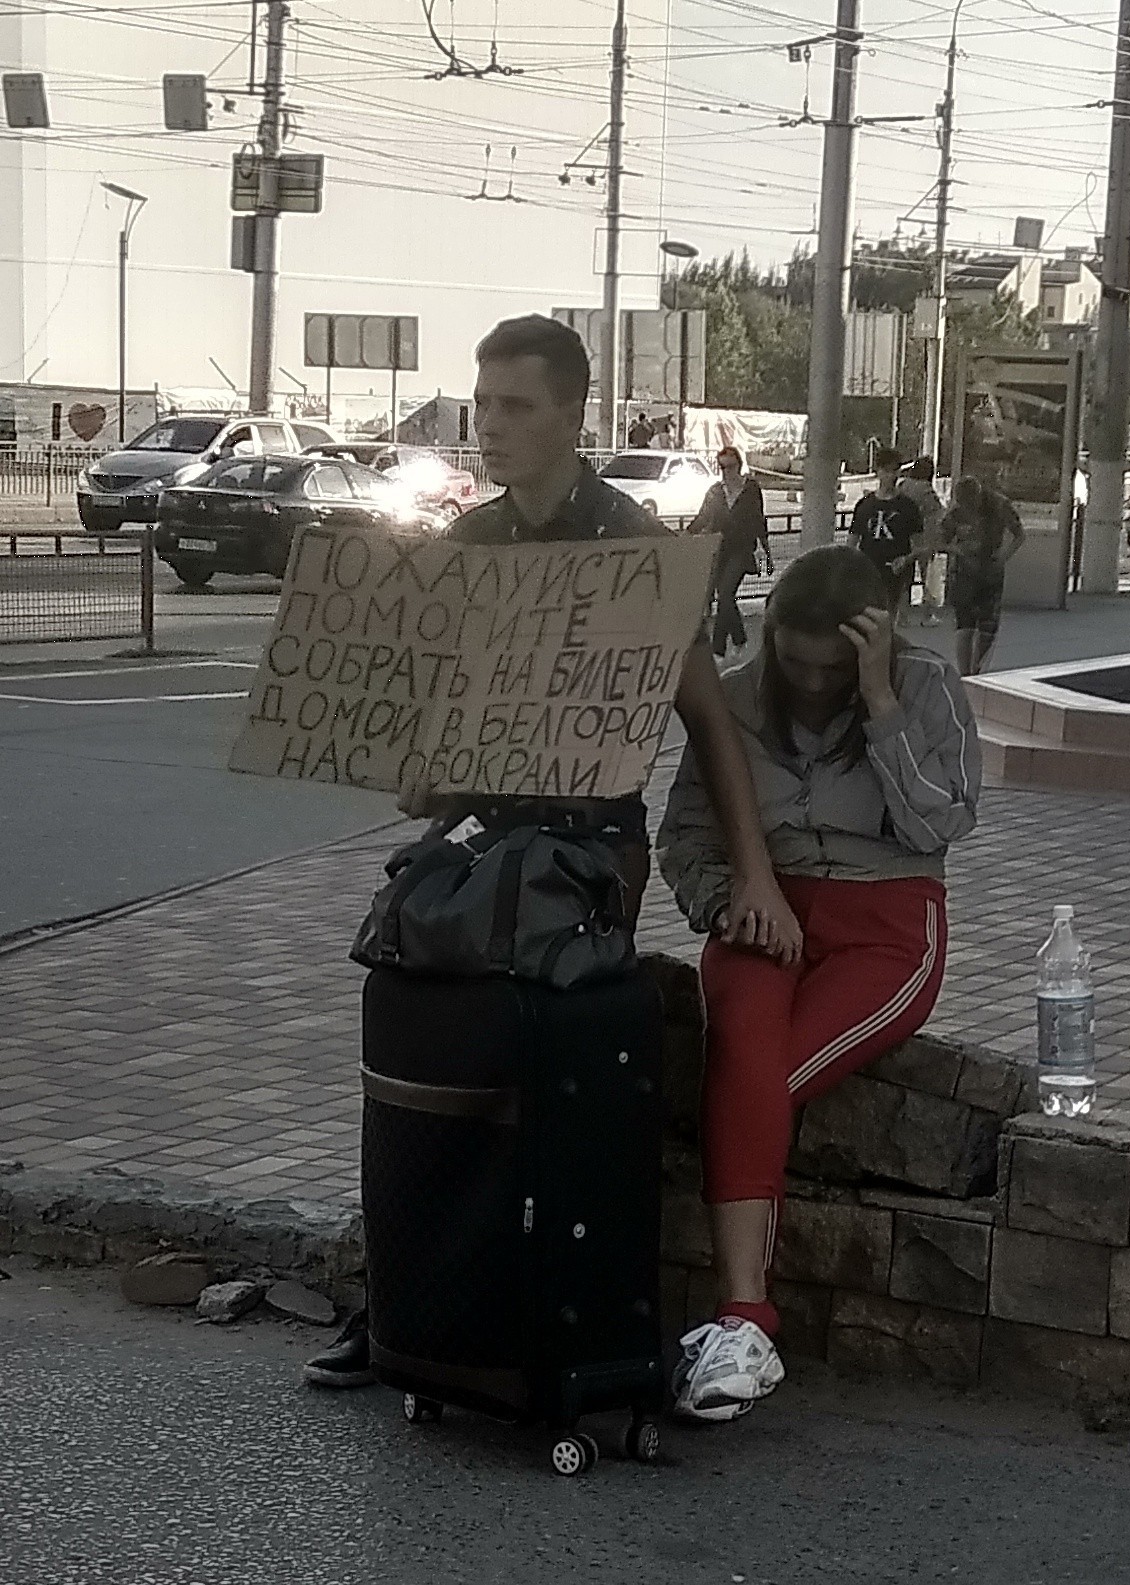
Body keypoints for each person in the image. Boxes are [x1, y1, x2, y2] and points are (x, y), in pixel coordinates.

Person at [304, 315, 803, 1390]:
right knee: (403, 979)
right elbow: (436, 735)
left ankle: (516, 1304)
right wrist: (417, 774)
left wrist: (753, 873)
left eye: (513, 405)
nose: (488, 425)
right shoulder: (470, 544)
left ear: (573, 415)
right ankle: (404, 1297)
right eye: (481, 403)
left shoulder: (630, 544)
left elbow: (710, 725)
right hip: (486, 828)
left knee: (511, 1018)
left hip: (586, 844)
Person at [656, 546, 980, 1422]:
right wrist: (726, 904)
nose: (806, 681)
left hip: (886, 918)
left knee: (755, 1082)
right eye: (791, 659)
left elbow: (939, 822)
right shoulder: (731, 695)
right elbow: (684, 834)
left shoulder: (924, 687)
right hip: (767, 910)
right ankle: (744, 1318)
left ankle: (741, 1322)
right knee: (744, 1050)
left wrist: (878, 705)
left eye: (829, 667)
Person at [690, 446, 774, 659]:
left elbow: (758, 519)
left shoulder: (751, 488)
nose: (726, 472)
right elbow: (703, 518)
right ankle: (731, 643)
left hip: (742, 549)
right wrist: (685, 534)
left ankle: (726, 645)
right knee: (723, 597)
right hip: (720, 549)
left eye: (730, 467)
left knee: (726, 593)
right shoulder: (715, 491)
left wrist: (767, 552)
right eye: (722, 467)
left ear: (739, 465)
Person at [938, 475, 1025, 676]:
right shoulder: (957, 511)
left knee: (988, 625)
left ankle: (978, 669)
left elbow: (1019, 534)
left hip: (990, 570)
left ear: (979, 496)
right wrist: (956, 548)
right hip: (965, 571)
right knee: (964, 624)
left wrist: (1003, 556)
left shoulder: (999, 504)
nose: (969, 510)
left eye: (971, 504)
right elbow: (942, 538)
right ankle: (964, 673)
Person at [849, 446, 924, 612]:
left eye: (895, 471)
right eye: (887, 471)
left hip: (896, 571)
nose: (891, 476)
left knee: (890, 617)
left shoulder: (908, 506)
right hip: (868, 570)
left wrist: (907, 559)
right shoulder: (865, 505)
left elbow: (919, 544)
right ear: (879, 472)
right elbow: (852, 540)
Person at [898, 455, 945, 627]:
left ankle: (902, 615)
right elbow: (935, 513)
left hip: (903, 535)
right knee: (927, 576)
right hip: (924, 536)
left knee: (905, 576)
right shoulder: (926, 490)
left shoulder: (903, 486)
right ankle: (927, 615)